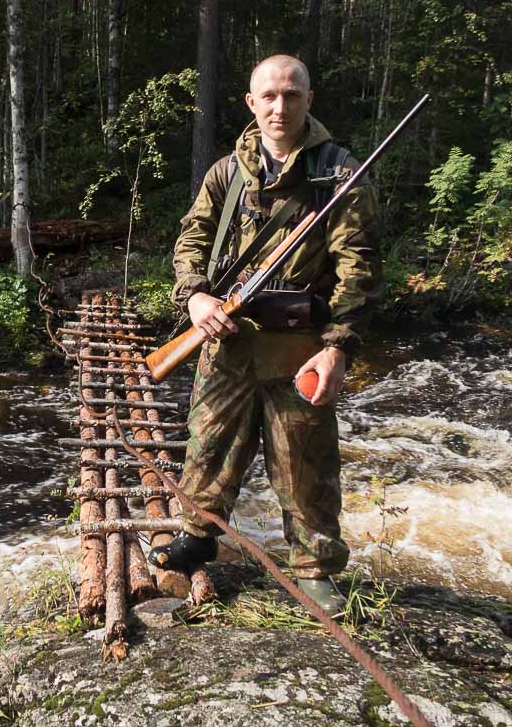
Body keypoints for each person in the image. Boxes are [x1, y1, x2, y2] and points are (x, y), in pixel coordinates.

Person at [149, 54, 382, 612]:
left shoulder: (339, 174)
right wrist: (195, 295)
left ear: (308, 100)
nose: (281, 107)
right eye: (269, 96)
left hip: (300, 345)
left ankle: (315, 568)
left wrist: (337, 348)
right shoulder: (227, 172)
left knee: (304, 461)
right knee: (208, 444)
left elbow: (360, 267)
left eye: (292, 95)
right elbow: (192, 239)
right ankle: (198, 536)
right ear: (252, 103)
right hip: (227, 337)